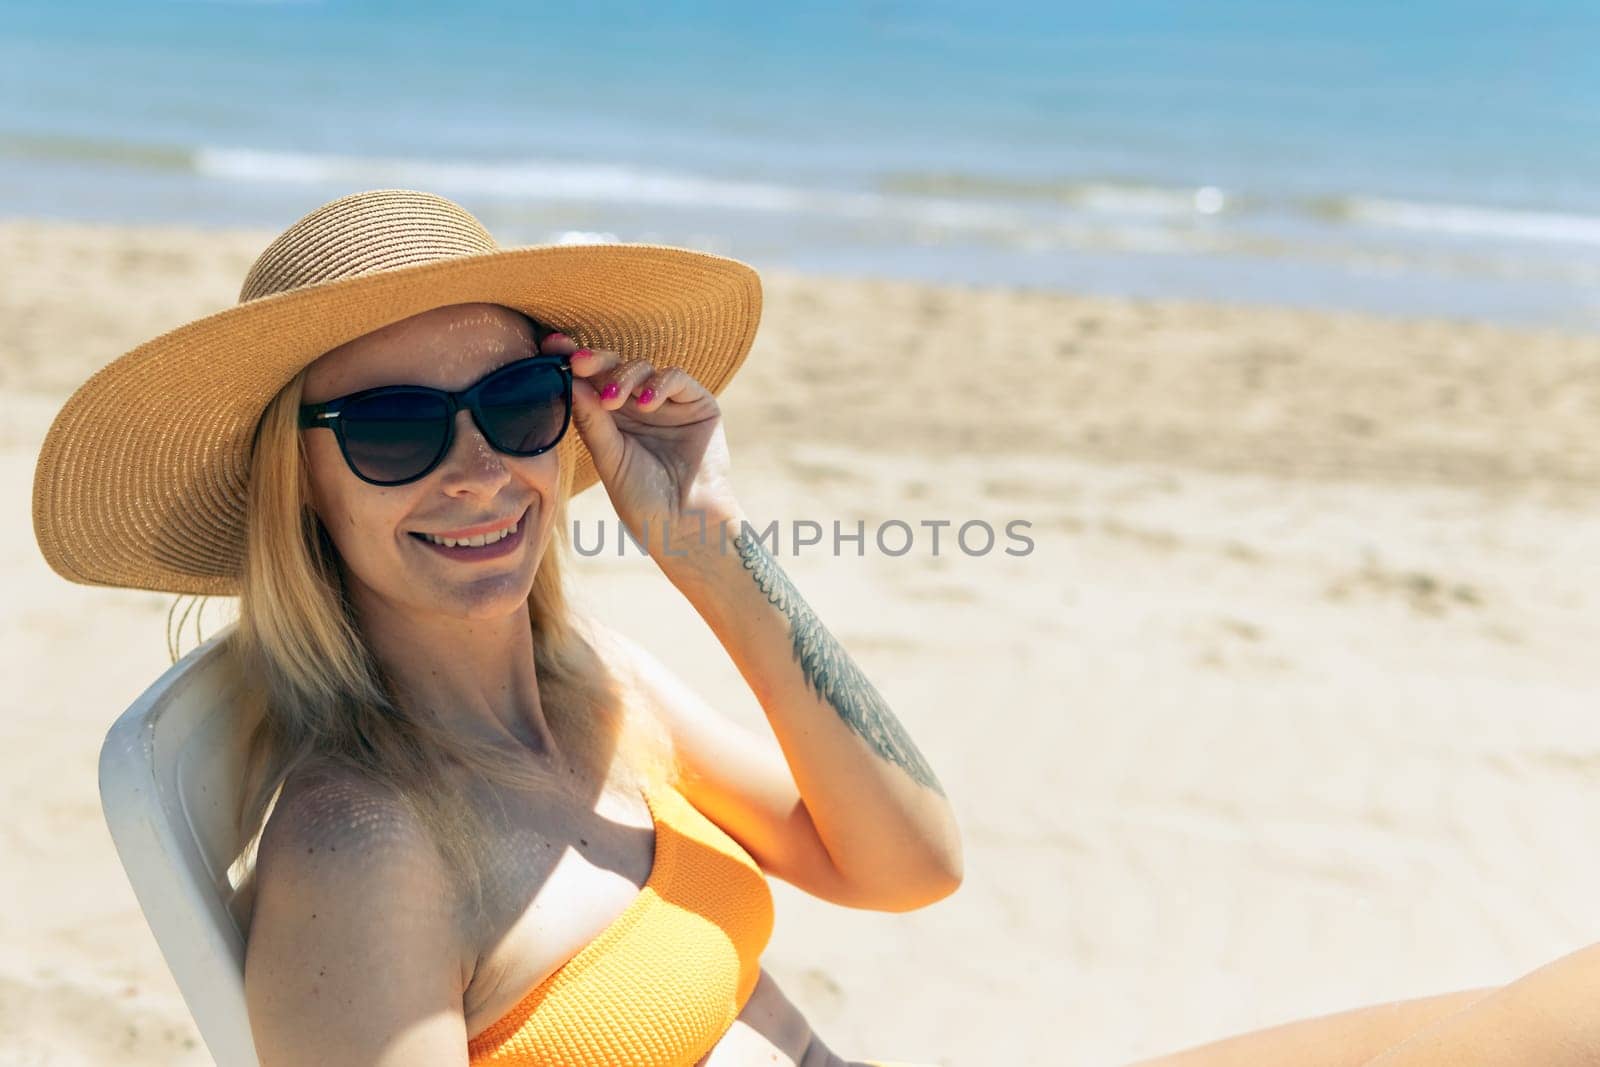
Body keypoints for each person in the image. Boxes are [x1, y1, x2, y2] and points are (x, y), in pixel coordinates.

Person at [32, 188, 960, 1067]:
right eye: (392, 430)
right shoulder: (362, 849)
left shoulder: (598, 683)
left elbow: (910, 865)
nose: (479, 470)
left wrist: (706, 545)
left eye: (518, 403)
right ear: (299, 484)